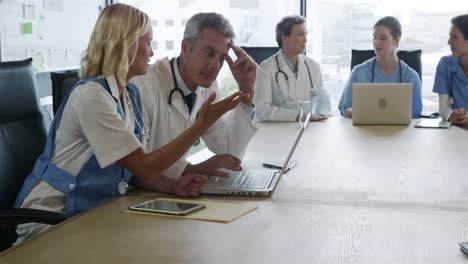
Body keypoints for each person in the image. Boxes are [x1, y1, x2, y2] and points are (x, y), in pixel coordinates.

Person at [14, 4, 242, 242]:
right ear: (126, 43)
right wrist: (200, 125)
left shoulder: (128, 95)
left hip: (91, 212)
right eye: (148, 43)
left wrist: (172, 187)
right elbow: (144, 166)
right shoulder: (91, 97)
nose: (152, 53)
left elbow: (134, 171)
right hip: (49, 219)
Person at [132, 12, 258, 179]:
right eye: (209, 53)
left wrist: (246, 89)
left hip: (176, 189)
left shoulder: (208, 88)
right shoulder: (143, 85)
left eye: (222, 58)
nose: (215, 66)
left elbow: (229, 152)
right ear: (185, 48)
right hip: (139, 194)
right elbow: (137, 168)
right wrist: (193, 169)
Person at [338, 16, 422, 118]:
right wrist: (370, 117)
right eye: (375, 37)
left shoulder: (411, 77)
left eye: (383, 38)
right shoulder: (359, 73)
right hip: (364, 132)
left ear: (396, 40)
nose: (377, 42)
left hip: (400, 133)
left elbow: (415, 115)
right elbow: (346, 109)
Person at [254, 15, 332, 122]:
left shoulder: (313, 66)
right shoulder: (266, 68)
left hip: (307, 129)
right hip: (276, 131)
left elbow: (323, 97)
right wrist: (299, 116)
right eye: (300, 35)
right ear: (284, 38)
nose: (305, 40)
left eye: (306, 35)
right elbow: (262, 111)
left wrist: (322, 115)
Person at [433, 14, 468, 126]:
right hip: (456, 130)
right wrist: (451, 116)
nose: (449, 42)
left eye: (455, 37)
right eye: (450, 36)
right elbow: (443, 109)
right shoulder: (445, 64)